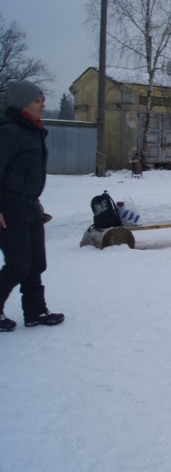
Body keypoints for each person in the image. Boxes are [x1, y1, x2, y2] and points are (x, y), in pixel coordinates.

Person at [0, 80, 65, 332]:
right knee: (18, 265)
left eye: (42, 100)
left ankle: (35, 311)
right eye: (37, 101)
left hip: (30, 204)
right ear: (22, 104)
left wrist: (34, 200)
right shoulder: (9, 131)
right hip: (10, 207)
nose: (42, 105)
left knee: (36, 263)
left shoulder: (32, 130)